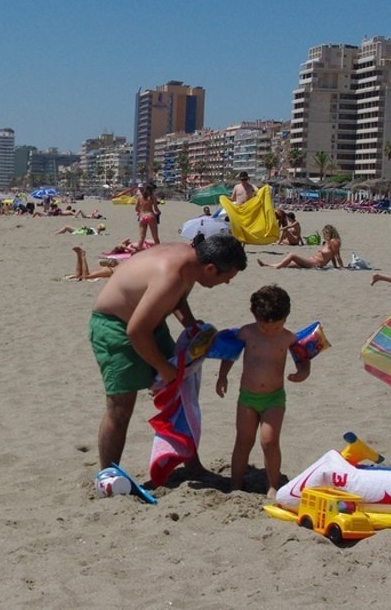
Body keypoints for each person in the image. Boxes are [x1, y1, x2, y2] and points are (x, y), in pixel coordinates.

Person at [89, 234, 247, 472]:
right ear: (210, 268)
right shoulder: (171, 275)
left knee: (181, 390)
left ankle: (191, 464)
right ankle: (108, 476)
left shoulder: (191, 260)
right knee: (120, 407)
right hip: (115, 326)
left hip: (148, 323)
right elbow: (136, 331)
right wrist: (163, 367)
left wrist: (191, 325)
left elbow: (176, 299)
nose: (226, 283)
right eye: (227, 277)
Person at [215, 285, 309, 497]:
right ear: (255, 317)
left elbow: (303, 358)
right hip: (247, 397)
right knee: (243, 441)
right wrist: (222, 375)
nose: (269, 331)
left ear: (285, 318)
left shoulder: (288, 338)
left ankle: (273, 485)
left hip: (274, 398)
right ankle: (236, 484)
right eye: (264, 327)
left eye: (276, 327)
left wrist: (303, 372)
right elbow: (230, 354)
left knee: (269, 441)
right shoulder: (247, 333)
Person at [258, 224, 343, 270]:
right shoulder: (328, 242)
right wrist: (335, 266)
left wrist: (341, 267)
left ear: (330, 233)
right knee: (289, 264)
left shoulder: (334, 241)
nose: (324, 236)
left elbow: (337, 255)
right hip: (311, 260)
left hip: (315, 263)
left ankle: (276, 268)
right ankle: (267, 265)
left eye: (325, 233)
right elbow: (332, 256)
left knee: (292, 255)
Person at [134, 183, 161, 249]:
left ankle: (139, 251)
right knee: (155, 237)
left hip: (142, 216)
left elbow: (136, 209)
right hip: (150, 215)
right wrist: (159, 212)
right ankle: (159, 251)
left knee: (141, 237)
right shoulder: (152, 197)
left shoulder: (140, 196)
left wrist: (141, 211)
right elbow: (156, 209)